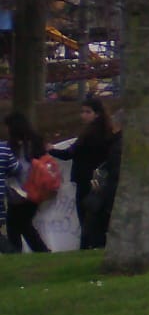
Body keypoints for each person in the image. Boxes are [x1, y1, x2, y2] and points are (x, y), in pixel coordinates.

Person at [48, 97, 122, 249]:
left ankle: (87, 244)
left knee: (85, 213)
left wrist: (51, 150)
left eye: (87, 112)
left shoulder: (89, 134)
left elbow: (70, 153)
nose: (83, 115)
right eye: (82, 112)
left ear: (97, 114)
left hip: (85, 177)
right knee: (97, 213)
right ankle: (95, 243)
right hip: (100, 178)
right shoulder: (107, 132)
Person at [4, 111, 50, 253]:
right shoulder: (36, 142)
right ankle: (37, 251)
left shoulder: (15, 146)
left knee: (16, 224)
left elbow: (18, 168)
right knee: (23, 224)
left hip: (20, 191)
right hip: (35, 190)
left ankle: (17, 251)